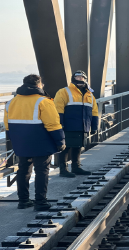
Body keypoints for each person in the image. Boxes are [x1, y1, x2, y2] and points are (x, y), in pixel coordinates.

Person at [4, 74, 66, 211]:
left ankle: (23, 201)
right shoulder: (43, 101)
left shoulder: (10, 103)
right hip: (41, 142)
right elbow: (53, 124)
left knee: (23, 170)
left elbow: (8, 126)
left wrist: (16, 141)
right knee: (42, 171)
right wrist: (60, 140)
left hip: (21, 143)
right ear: (39, 85)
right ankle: (40, 202)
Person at [54, 70, 98, 177]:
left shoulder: (89, 95)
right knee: (65, 147)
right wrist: (60, 124)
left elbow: (94, 111)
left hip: (83, 126)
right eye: (77, 77)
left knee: (78, 146)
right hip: (68, 126)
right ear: (73, 78)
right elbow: (57, 109)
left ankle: (76, 167)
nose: (80, 79)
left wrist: (94, 126)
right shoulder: (64, 92)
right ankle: (63, 169)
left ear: (85, 79)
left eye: (82, 78)